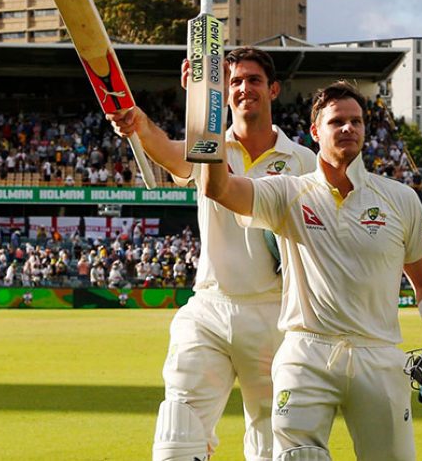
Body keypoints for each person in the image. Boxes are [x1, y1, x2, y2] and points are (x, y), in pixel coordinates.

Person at [199, 81, 422, 459]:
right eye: (337, 122)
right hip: (307, 353)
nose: (348, 128)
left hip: (378, 355)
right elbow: (217, 188)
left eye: (356, 121)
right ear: (316, 131)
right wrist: (206, 118)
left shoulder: (401, 199)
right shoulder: (287, 192)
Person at [106, 47, 316, 461]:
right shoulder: (208, 145)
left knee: (278, 447)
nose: (243, 88)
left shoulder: (303, 160)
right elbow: (164, 148)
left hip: (277, 316)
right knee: (177, 440)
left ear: (273, 89)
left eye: (253, 80)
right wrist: (142, 121)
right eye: (233, 81)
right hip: (210, 309)